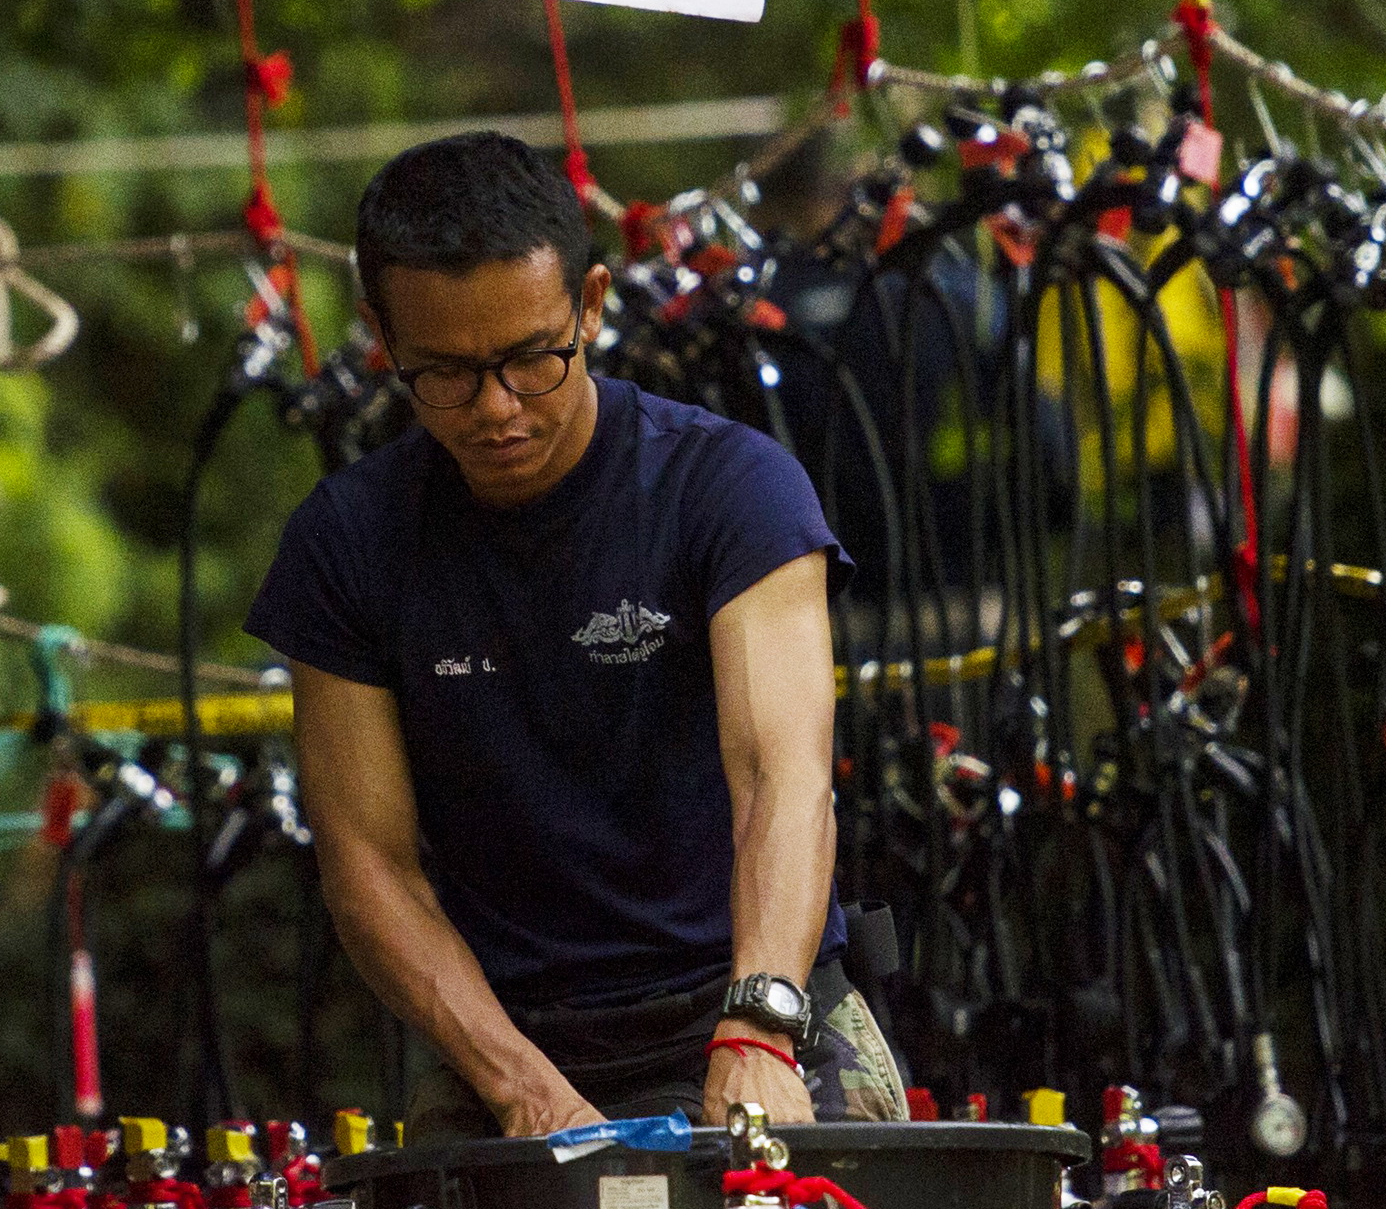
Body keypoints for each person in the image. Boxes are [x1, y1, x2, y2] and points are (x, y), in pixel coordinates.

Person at [249, 129, 904, 1139]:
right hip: (502, 1035)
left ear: (591, 305)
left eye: (530, 359)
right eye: (445, 374)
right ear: (382, 338)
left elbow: (782, 777)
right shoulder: (347, 544)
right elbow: (367, 865)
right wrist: (519, 1087)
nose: (496, 408)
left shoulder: (730, 490)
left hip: (750, 1004)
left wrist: (760, 1020)